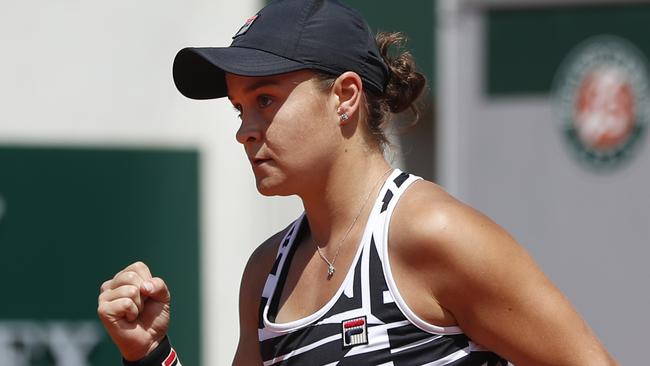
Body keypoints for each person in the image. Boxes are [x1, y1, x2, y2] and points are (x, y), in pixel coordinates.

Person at [97, 0, 619, 365]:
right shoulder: (265, 274)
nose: (244, 131)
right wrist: (149, 355)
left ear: (345, 96)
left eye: (265, 100)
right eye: (239, 108)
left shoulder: (431, 232)